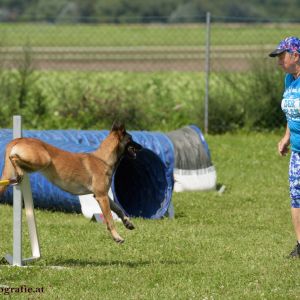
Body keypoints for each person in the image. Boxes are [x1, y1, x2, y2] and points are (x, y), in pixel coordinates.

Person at [269, 36, 300, 258]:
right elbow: (292, 113)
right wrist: (286, 138)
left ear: (296, 56)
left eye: (282, 57)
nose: (279, 62)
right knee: (296, 197)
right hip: (297, 152)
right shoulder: (289, 80)